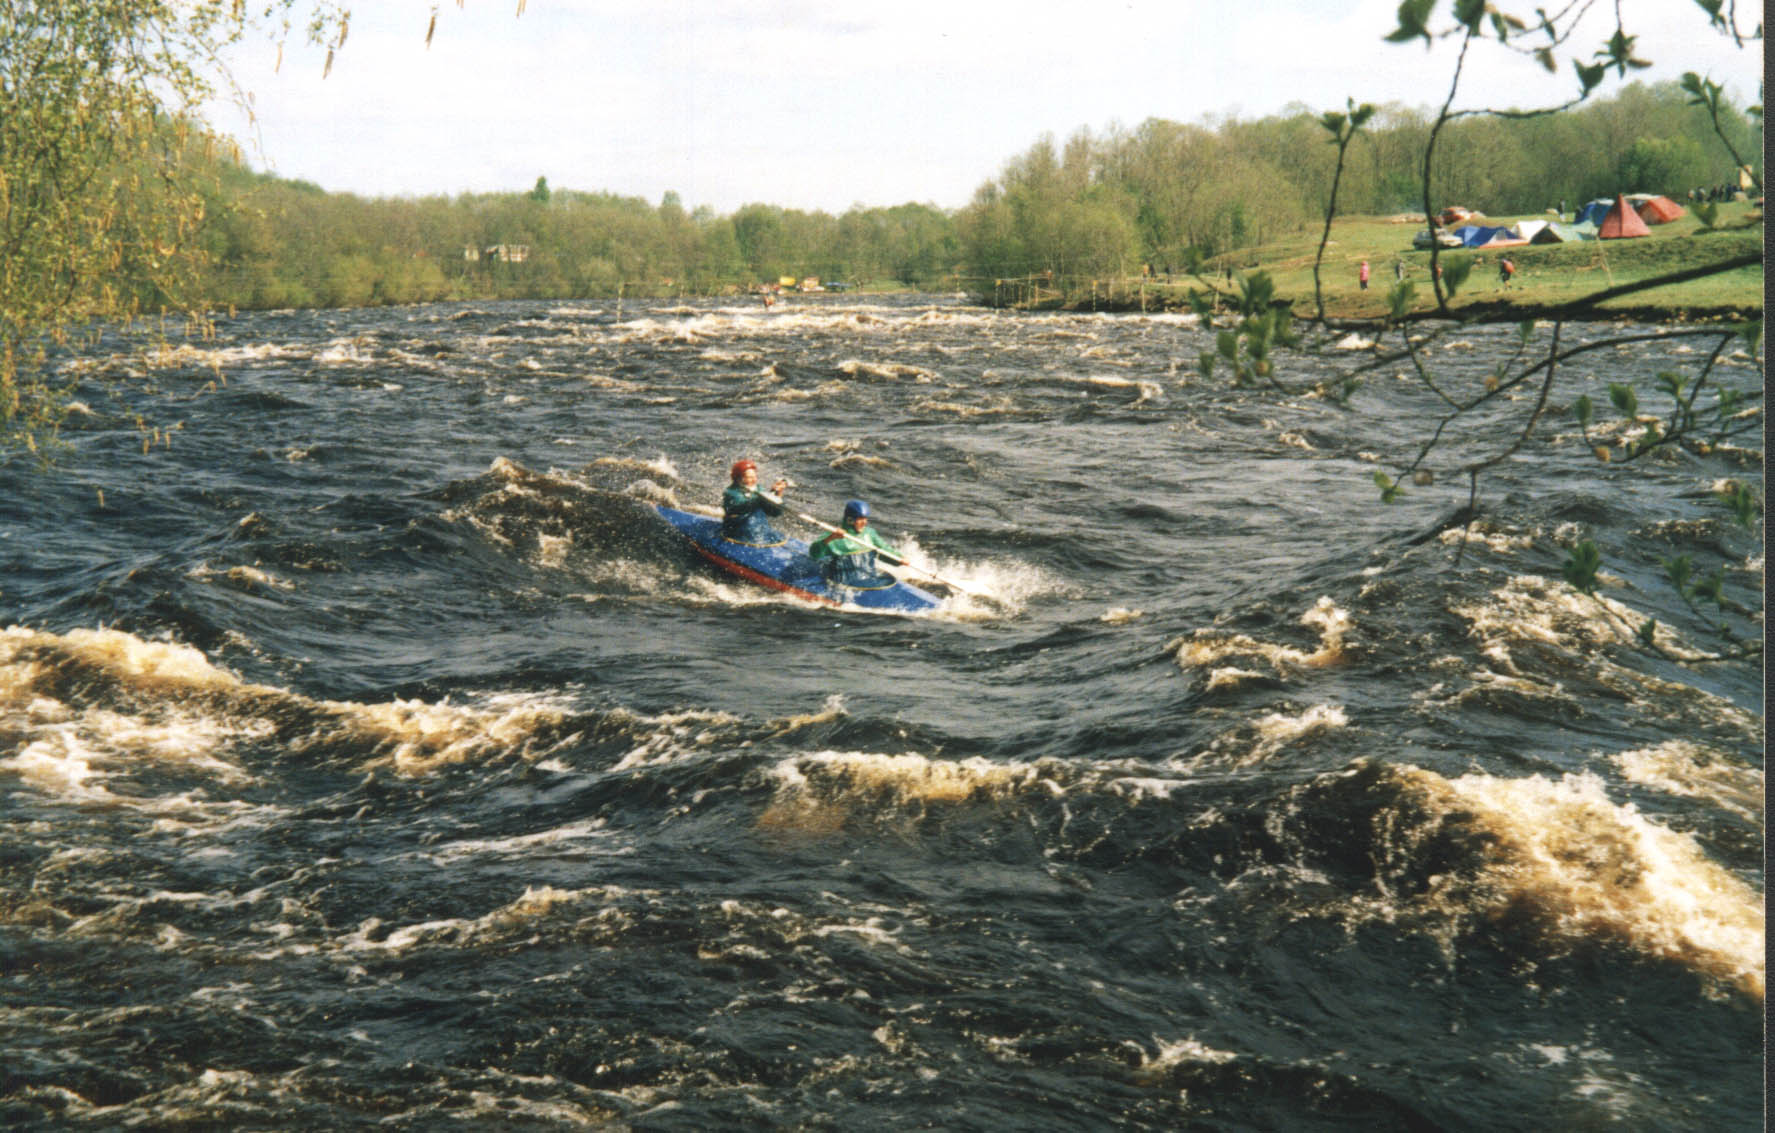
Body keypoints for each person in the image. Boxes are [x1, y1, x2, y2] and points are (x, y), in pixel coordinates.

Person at [809, 499, 900, 588]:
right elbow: (814, 554)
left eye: (865, 518)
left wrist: (899, 559)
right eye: (860, 519)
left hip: (869, 577)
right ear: (850, 520)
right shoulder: (834, 536)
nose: (864, 522)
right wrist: (830, 538)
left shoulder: (870, 534)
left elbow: (884, 550)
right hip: (843, 583)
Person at [721, 459, 788, 544]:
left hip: (760, 528)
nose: (754, 480)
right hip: (739, 531)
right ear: (738, 478)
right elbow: (740, 507)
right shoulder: (731, 492)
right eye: (749, 477)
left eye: (755, 476)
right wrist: (761, 499)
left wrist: (776, 494)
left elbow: (774, 513)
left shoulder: (759, 489)